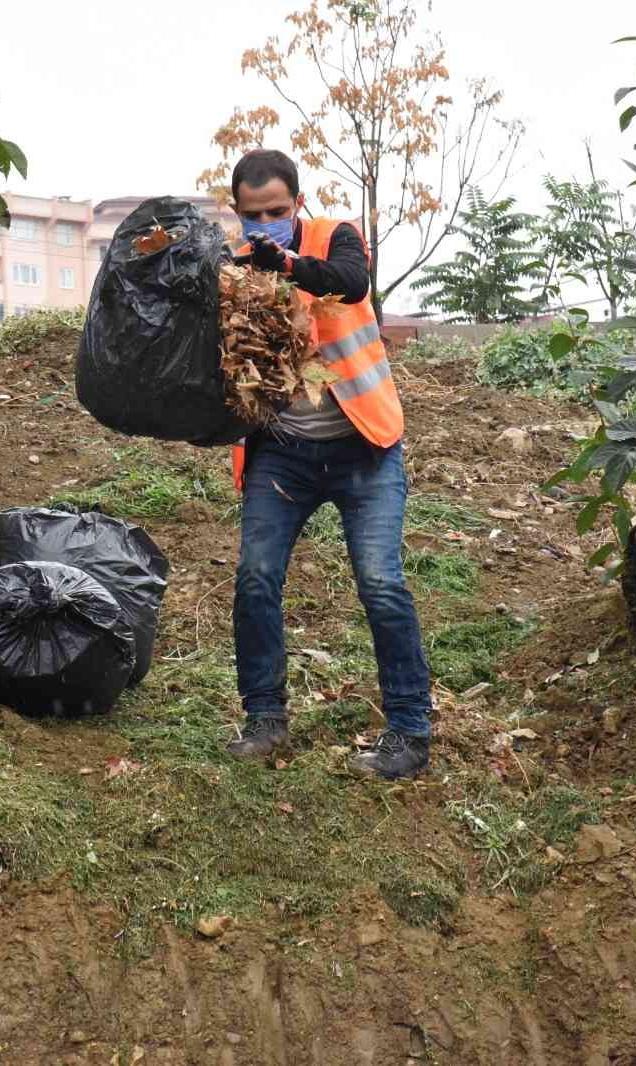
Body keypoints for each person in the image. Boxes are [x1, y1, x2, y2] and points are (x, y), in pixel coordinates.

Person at [224, 148, 434, 779]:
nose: (265, 224)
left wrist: (285, 263)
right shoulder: (232, 270)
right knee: (256, 577)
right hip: (282, 456)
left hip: (364, 448)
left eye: (277, 211)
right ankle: (265, 719)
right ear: (236, 212)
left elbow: (349, 281)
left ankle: (410, 730)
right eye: (252, 215)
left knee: (380, 584)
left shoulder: (334, 237)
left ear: (298, 203)